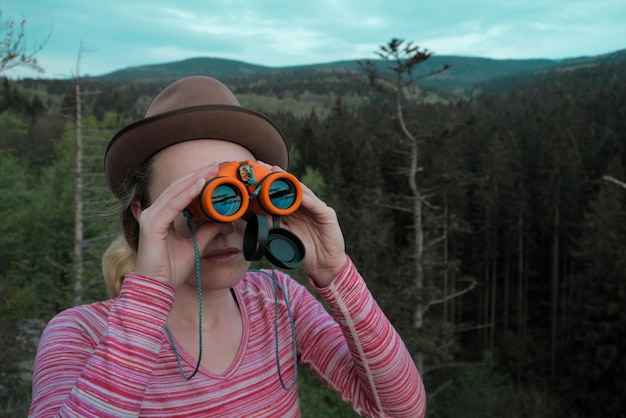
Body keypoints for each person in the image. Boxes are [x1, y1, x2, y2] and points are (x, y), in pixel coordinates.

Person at [29, 76, 426, 417]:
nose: (225, 224)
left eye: (240, 196)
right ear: (143, 212)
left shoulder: (279, 302)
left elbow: (400, 410)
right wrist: (148, 298)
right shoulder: (79, 334)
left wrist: (335, 272)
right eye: (195, 200)